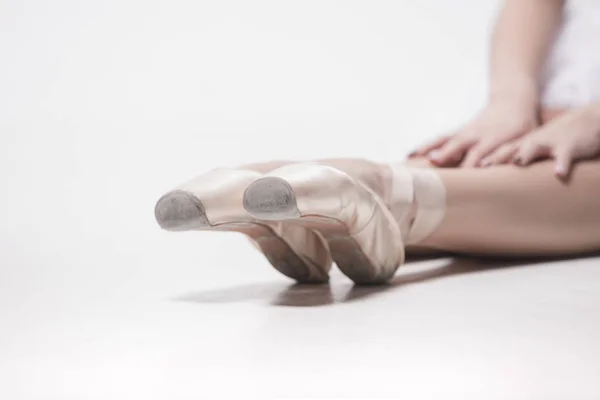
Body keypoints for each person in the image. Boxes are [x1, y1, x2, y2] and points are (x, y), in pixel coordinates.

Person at [155, 0, 600, 285]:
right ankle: (366, 194)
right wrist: (511, 96)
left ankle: (377, 194)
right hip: (558, 86)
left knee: (558, 163)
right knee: (495, 152)